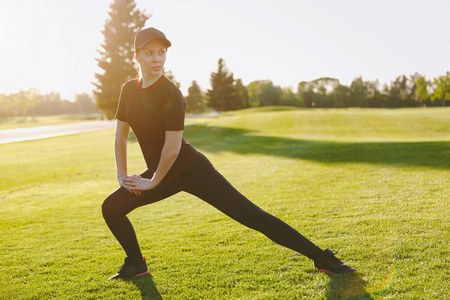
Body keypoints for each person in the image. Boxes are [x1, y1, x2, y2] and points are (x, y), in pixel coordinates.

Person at [102, 27, 356, 280]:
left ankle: (322, 258)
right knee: (111, 208)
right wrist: (122, 176)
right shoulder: (129, 90)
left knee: (251, 216)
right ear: (137, 57)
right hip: (161, 172)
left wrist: (153, 181)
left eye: (161, 52)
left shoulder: (170, 93)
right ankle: (136, 263)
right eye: (149, 53)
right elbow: (121, 136)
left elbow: (173, 147)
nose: (157, 59)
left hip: (191, 169)